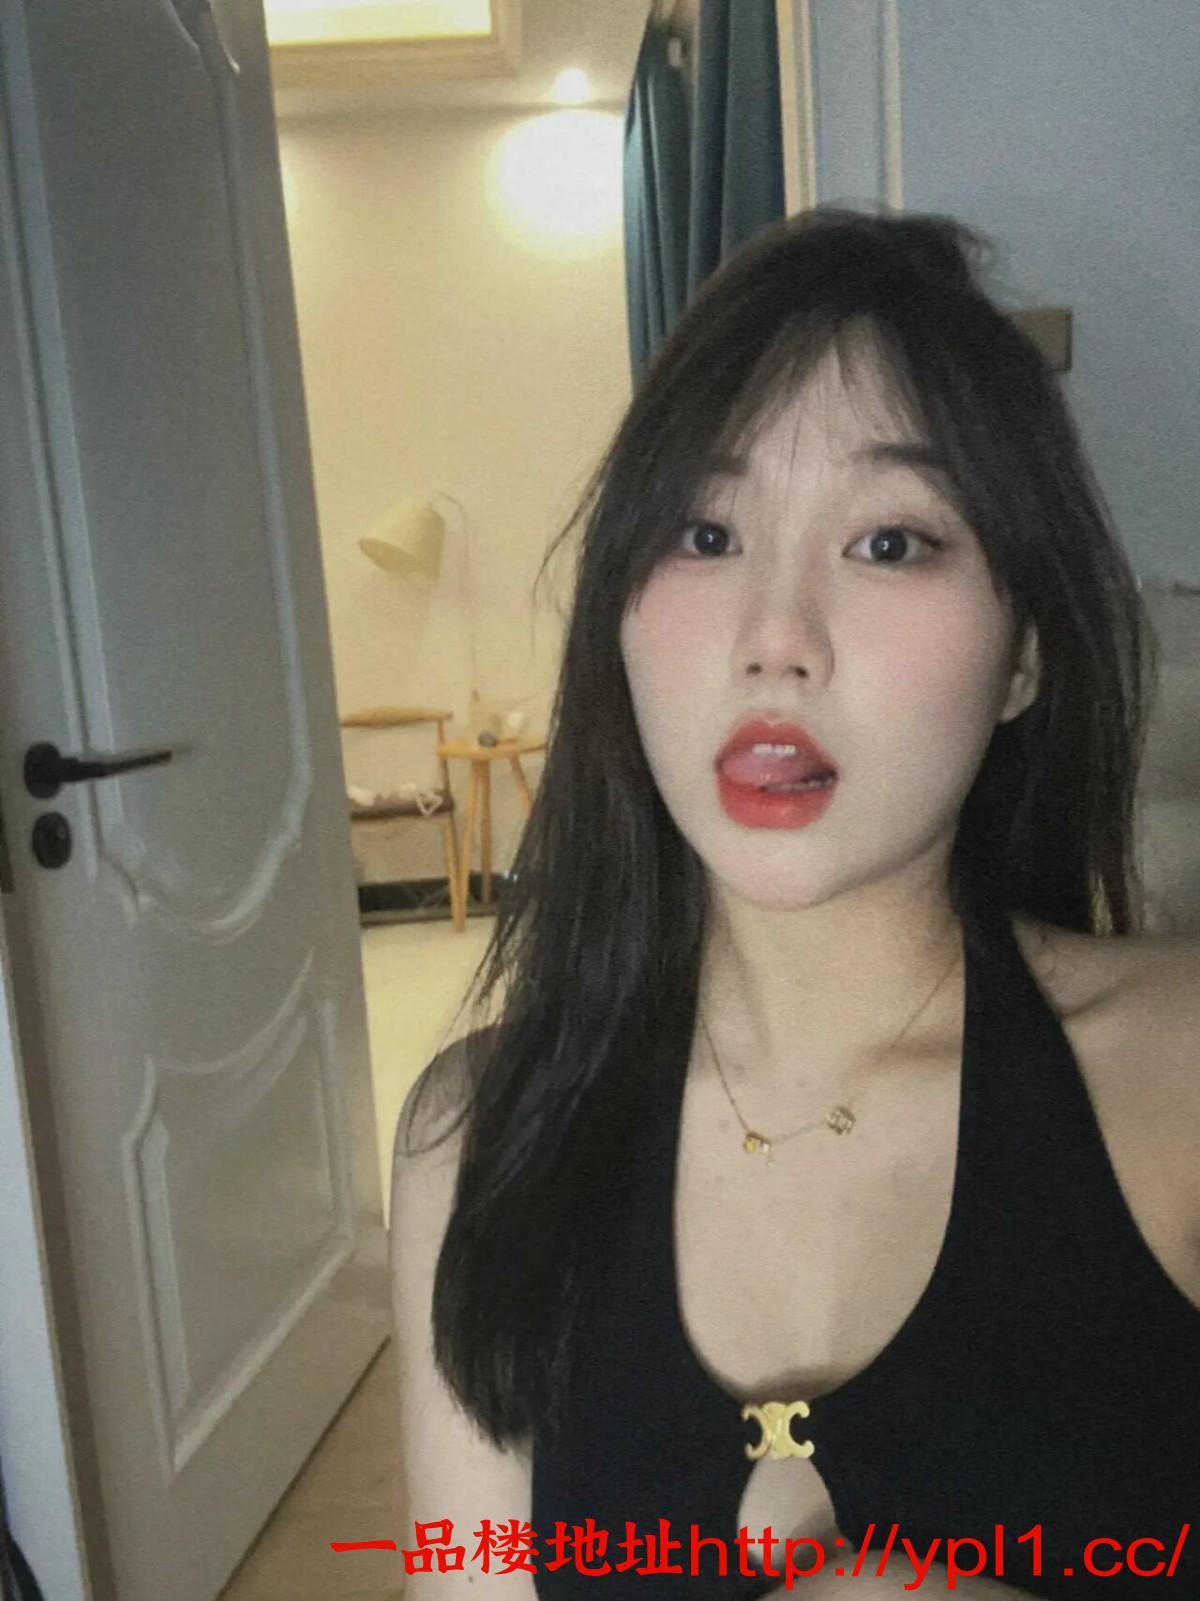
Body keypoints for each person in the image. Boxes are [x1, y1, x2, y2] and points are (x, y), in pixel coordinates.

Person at [389, 207, 1200, 1601]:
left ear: (1022, 656)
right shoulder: (478, 1141)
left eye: (889, 542)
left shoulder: (1177, 1076)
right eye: (706, 531)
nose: (777, 637)